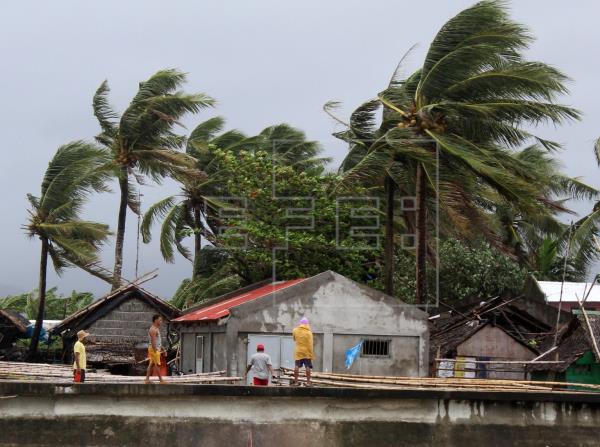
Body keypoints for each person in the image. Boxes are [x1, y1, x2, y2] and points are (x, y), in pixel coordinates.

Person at [292, 317, 314, 386]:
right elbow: (311, 343)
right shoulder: (309, 332)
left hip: (298, 351)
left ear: (300, 323)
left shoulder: (295, 330)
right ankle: (308, 382)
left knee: (297, 366)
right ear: (307, 324)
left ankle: (296, 382)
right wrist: (311, 353)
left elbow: (294, 339)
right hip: (307, 351)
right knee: (307, 366)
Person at [145, 314, 165, 384]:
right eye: (160, 320)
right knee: (157, 365)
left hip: (155, 348)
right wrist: (155, 351)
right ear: (156, 320)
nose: (161, 322)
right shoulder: (153, 329)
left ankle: (147, 380)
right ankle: (161, 380)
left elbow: (158, 341)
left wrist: (163, 349)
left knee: (151, 364)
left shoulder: (156, 329)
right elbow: (153, 342)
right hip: (154, 349)